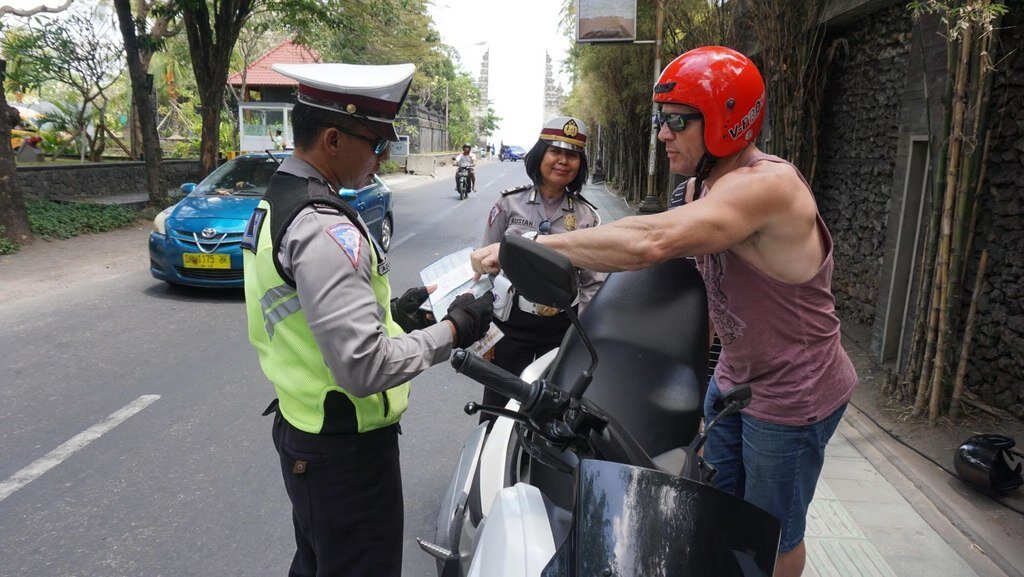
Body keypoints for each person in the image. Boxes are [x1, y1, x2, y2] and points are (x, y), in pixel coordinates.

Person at [470, 46, 857, 577]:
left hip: (793, 391)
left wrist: (531, 245)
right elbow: (693, 282)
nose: (662, 134)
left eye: (677, 121)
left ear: (725, 120)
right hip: (734, 381)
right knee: (719, 510)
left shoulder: (768, 186)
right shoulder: (697, 188)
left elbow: (649, 241)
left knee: (772, 533)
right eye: (660, 121)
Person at [242, 62, 493, 577]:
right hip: (345, 452)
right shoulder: (321, 225)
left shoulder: (281, 198)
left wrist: (395, 313)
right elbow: (363, 368)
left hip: (308, 432)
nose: (383, 158)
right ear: (332, 139)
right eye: (377, 144)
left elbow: (308, 311)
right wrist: (454, 330)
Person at [477, 116, 604, 423]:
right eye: (555, 152)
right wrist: (482, 324)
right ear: (539, 155)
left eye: (572, 155)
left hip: (561, 328)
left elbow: (592, 282)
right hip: (511, 325)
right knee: (498, 408)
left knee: (554, 412)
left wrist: (580, 331)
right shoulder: (509, 204)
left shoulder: (586, 215)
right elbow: (485, 267)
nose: (563, 161)